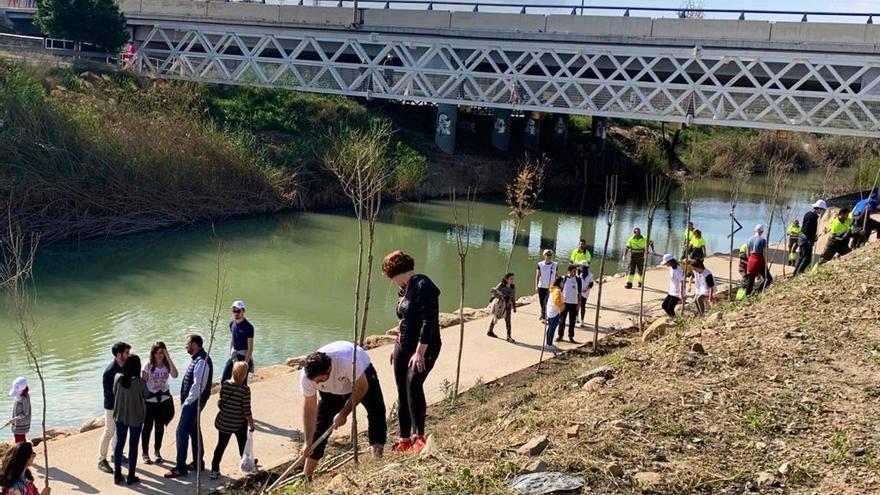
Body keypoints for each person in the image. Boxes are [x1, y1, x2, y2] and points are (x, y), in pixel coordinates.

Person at [382, 250, 441, 454]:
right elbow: (404, 319)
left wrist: (420, 352)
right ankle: (404, 438)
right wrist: (395, 345)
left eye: (392, 277)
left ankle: (419, 436)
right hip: (402, 345)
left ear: (399, 272)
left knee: (413, 384)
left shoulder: (423, 286)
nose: (393, 282)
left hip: (424, 347)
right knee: (402, 391)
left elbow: (429, 321)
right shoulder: (405, 289)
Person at [299, 341, 386, 478]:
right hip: (331, 390)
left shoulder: (346, 361)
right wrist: (307, 441)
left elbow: (362, 388)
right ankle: (306, 475)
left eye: (320, 381)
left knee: (376, 410)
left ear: (328, 370)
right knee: (321, 426)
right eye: (314, 382)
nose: (316, 384)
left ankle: (377, 456)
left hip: (362, 375)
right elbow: (309, 408)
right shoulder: (307, 377)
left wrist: (344, 413)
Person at [164, 335, 213, 479]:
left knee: (181, 432)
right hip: (193, 403)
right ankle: (198, 462)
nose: (185, 346)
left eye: (187, 343)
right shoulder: (198, 359)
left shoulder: (202, 361)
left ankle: (180, 468)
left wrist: (187, 402)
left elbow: (198, 385)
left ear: (194, 344)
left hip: (193, 403)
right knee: (194, 431)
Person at [210, 361, 254, 480]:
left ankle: (214, 468)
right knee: (243, 444)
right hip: (238, 423)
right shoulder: (245, 390)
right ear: (245, 375)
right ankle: (246, 462)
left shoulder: (225, 384)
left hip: (224, 421)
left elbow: (221, 402)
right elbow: (246, 409)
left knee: (221, 446)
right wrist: (251, 423)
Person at [141, 342, 178, 465]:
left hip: (163, 400)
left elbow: (175, 375)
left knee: (160, 427)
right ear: (153, 353)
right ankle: (145, 452)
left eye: (161, 353)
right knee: (147, 427)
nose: (159, 356)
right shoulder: (148, 365)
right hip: (150, 401)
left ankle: (157, 451)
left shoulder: (167, 364)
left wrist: (168, 357)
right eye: (156, 353)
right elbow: (142, 384)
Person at [113, 354, 146, 485]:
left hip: (120, 415)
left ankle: (117, 474)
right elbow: (147, 395)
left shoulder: (117, 378)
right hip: (136, 417)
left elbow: (114, 391)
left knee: (119, 444)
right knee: (133, 446)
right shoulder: (140, 383)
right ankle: (131, 476)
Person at [98, 342, 130, 474]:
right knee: (109, 432)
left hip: (122, 405)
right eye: (126, 353)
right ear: (119, 355)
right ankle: (101, 460)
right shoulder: (110, 372)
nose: (128, 355)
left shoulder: (125, 366)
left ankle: (115, 454)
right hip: (112, 406)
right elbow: (109, 394)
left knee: (119, 431)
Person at [221, 300, 254, 384]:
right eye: (234, 311)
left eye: (238, 311)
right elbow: (232, 340)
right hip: (234, 355)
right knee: (224, 379)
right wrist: (231, 353)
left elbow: (250, 348)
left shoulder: (249, 327)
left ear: (243, 311)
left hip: (243, 357)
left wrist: (245, 364)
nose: (236, 313)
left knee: (241, 383)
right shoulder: (232, 323)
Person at [795, 200, 827, 275]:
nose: (821, 212)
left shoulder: (808, 214)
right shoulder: (812, 217)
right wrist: (813, 238)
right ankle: (799, 273)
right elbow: (807, 230)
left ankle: (795, 273)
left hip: (802, 237)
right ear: (818, 208)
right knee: (807, 259)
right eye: (822, 210)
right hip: (806, 239)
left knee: (802, 257)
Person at [744, 224, 773, 296]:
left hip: (751, 260)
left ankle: (747, 295)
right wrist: (765, 262)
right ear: (762, 231)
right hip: (759, 260)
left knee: (751, 280)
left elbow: (747, 253)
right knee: (768, 279)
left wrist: (749, 261)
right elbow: (764, 253)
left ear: (755, 230)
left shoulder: (749, 239)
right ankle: (758, 290)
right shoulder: (763, 240)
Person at [487, 273, 516, 342]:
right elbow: (494, 292)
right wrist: (501, 296)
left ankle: (509, 336)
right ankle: (490, 331)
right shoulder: (501, 285)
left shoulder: (512, 287)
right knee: (496, 317)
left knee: (508, 320)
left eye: (513, 279)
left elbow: (513, 297)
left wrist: (514, 307)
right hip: (500, 305)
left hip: (508, 305)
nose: (512, 280)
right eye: (511, 279)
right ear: (506, 279)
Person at [557, 265, 580, 344]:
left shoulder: (577, 280)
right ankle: (560, 336)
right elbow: (557, 289)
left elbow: (579, 293)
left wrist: (578, 304)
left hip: (574, 303)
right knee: (562, 321)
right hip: (564, 303)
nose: (575, 273)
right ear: (569, 271)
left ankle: (571, 336)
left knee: (572, 321)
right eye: (573, 271)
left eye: (575, 271)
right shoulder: (564, 279)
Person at [535, 250, 558, 321]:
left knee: (549, 301)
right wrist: (536, 285)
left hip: (551, 287)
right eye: (547, 255)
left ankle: (546, 315)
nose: (549, 256)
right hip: (542, 286)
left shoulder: (555, 265)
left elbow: (556, 275)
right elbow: (538, 276)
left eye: (550, 255)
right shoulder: (540, 264)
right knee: (542, 301)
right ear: (544, 256)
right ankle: (543, 314)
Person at [544, 277, 564, 356]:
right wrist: (562, 307)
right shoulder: (557, 291)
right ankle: (549, 344)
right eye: (562, 283)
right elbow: (556, 301)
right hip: (554, 312)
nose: (563, 284)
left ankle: (548, 342)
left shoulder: (553, 289)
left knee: (550, 328)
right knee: (552, 328)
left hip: (550, 311)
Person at [9, 378, 30, 444]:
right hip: (17, 421)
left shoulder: (25, 398)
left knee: (20, 439)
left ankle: (23, 452)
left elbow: (26, 413)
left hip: (21, 423)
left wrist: (16, 418)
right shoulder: (19, 395)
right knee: (17, 436)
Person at [577, 261, 594, 327]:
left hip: (585, 292)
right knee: (577, 304)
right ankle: (577, 317)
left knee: (582, 305)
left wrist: (586, 289)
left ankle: (582, 320)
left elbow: (591, 284)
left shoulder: (590, 275)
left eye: (581, 266)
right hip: (578, 291)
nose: (580, 267)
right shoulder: (577, 273)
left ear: (585, 267)